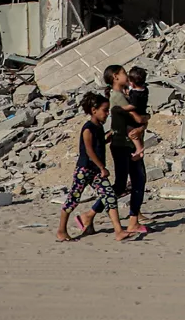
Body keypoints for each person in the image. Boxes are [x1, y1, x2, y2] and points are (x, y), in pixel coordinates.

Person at [57, 92, 133, 242]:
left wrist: (107, 138)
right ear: (94, 110)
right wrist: (102, 167)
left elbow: (97, 144)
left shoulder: (98, 127)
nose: (106, 114)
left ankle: (118, 231)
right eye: (104, 110)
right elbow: (89, 150)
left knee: (109, 196)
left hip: (96, 171)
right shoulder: (88, 128)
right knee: (73, 198)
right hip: (84, 170)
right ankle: (61, 230)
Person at [93, 65, 149, 235]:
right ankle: (91, 214)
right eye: (124, 73)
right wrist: (145, 121)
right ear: (116, 77)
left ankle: (134, 218)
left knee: (133, 182)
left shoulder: (122, 95)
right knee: (131, 182)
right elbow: (137, 118)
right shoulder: (118, 98)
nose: (127, 75)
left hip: (126, 143)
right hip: (124, 144)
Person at [126, 66, 151, 161]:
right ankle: (140, 150)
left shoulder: (135, 95)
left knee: (131, 133)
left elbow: (132, 106)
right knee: (138, 134)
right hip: (143, 113)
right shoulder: (145, 90)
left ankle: (139, 149)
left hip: (136, 116)